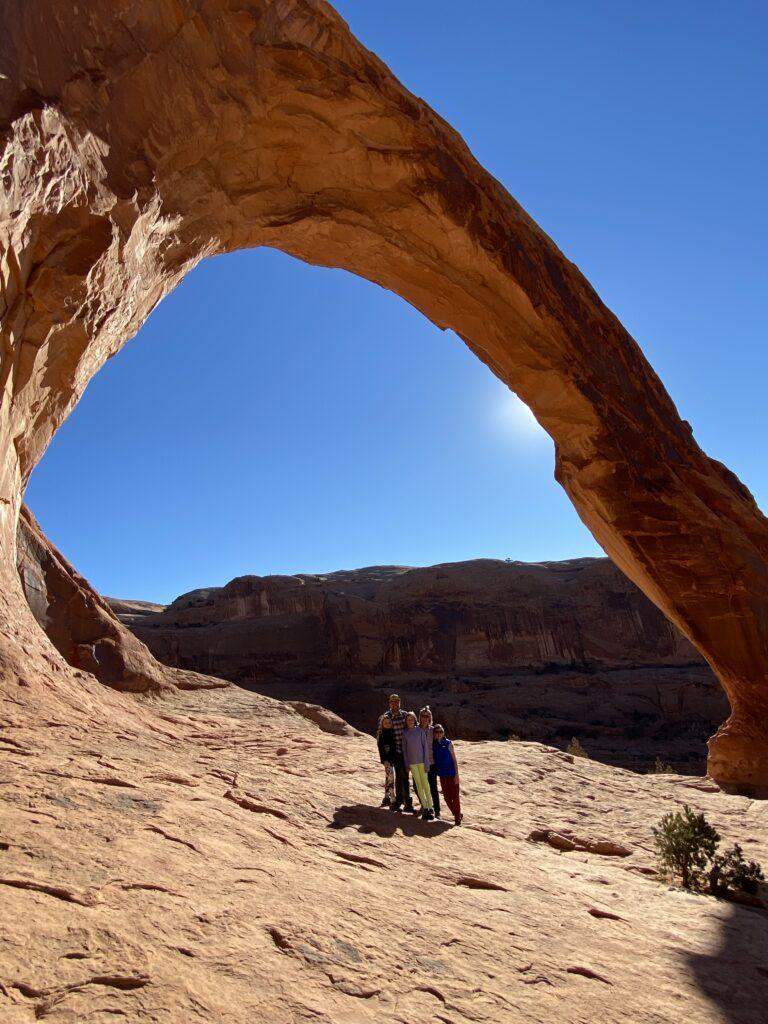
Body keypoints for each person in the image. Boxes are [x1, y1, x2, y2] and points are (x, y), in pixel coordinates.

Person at [381, 694, 414, 813]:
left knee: (404, 777)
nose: (395, 704)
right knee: (396, 777)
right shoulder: (386, 717)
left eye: (397, 702)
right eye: (393, 702)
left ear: (399, 703)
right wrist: (384, 756)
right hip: (394, 752)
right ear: (389, 703)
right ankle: (397, 801)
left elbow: (412, 728)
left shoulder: (405, 715)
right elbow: (382, 736)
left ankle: (407, 803)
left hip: (405, 751)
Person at [402, 710, 435, 820]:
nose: (410, 721)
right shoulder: (405, 734)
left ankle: (431, 807)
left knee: (426, 785)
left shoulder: (420, 731)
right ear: (406, 721)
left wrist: (427, 764)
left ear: (415, 720)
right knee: (419, 786)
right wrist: (407, 765)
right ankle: (425, 807)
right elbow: (405, 751)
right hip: (412, 764)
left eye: (412, 719)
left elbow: (425, 748)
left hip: (422, 763)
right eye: (408, 719)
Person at [432, 723, 462, 825]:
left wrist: (457, 775)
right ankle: (457, 814)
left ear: (443, 732)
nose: (439, 733)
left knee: (455, 797)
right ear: (434, 733)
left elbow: (454, 760)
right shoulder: (434, 745)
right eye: (437, 732)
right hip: (442, 775)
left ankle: (457, 817)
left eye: (441, 731)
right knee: (447, 798)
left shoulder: (448, 743)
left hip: (452, 774)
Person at [417, 705, 441, 818]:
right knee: (418, 786)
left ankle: (437, 811)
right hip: (419, 763)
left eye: (427, 716)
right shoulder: (415, 730)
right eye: (423, 716)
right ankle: (425, 805)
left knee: (432, 787)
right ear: (420, 717)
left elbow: (440, 740)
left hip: (431, 762)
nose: (425, 718)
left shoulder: (433, 730)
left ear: (430, 718)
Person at [376, 714, 397, 807]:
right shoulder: (382, 735)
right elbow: (381, 749)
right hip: (387, 761)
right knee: (391, 779)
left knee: (388, 778)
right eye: (385, 723)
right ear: (382, 724)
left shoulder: (392, 733)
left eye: (389, 723)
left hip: (392, 759)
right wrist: (384, 760)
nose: (388, 724)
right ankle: (393, 800)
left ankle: (386, 798)